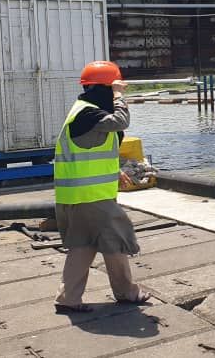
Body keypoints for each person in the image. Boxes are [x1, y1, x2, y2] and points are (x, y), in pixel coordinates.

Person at [53, 60, 149, 314]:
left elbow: (89, 148)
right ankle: (127, 293)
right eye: (113, 88)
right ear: (104, 89)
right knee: (116, 240)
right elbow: (120, 121)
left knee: (83, 245)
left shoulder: (84, 112)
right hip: (92, 197)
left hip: (78, 196)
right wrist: (119, 96)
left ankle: (68, 298)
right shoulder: (87, 113)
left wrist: (114, 170)